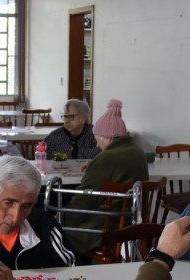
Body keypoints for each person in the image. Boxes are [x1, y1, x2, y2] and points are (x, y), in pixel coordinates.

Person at [62, 99, 148, 256]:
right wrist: (96, 163)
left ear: (107, 138)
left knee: (60, 233)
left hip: (107, 227)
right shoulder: (138, 152)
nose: (96, 144)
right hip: (132, 223)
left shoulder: (105, 158)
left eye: (97, 138)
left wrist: (61, 218)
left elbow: (84, 201)